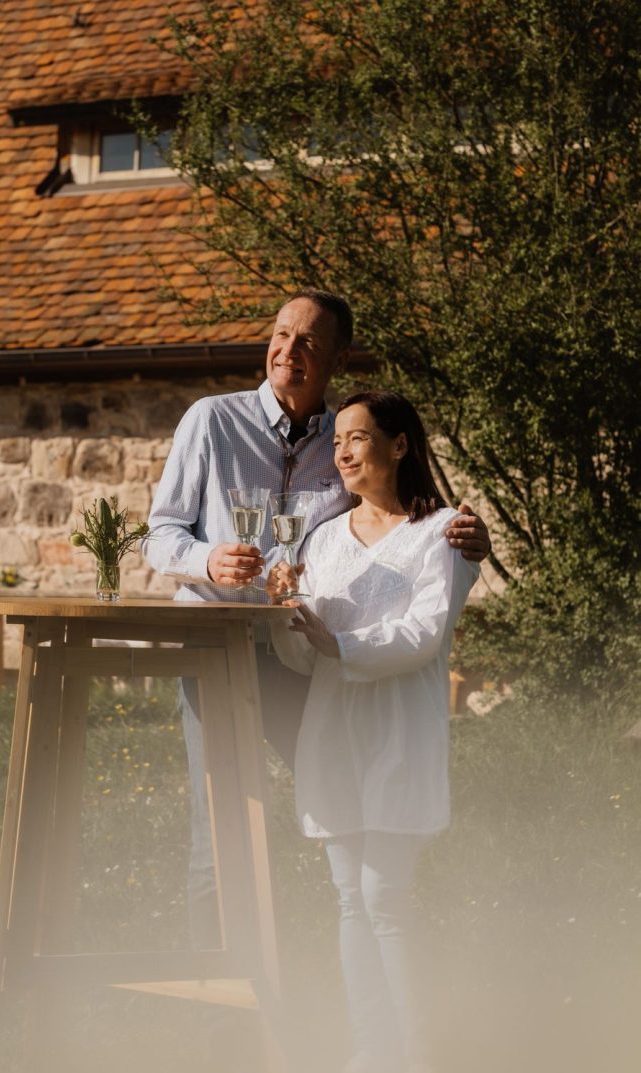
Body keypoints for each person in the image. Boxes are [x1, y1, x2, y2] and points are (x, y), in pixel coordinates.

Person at [144, 287, 490, 948]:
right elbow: (160, 535)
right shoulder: (211, 421)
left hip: (302, 656)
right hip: (215, 653)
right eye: (280, 334)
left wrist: (471, 545)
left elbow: (405, 519)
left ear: (336, 358)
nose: (288, 350)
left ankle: (382, 960)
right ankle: (224, 1020)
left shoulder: (347, 438)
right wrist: (210, 558)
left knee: (356, 805)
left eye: (307, 341)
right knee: (221, 833)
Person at [266, 389, 479, 1073]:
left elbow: (422, 635)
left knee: (386, 895)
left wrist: (339, 643)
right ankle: (370, 1050)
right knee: (350, 899)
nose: (344, 450)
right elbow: (304, 655)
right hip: (333, 733)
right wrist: (287, 617)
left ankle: (416, 1055)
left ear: (399, 445)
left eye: (358, 437)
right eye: (338, 442)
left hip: (399, 734)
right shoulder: (324, 539)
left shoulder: (438, 532)